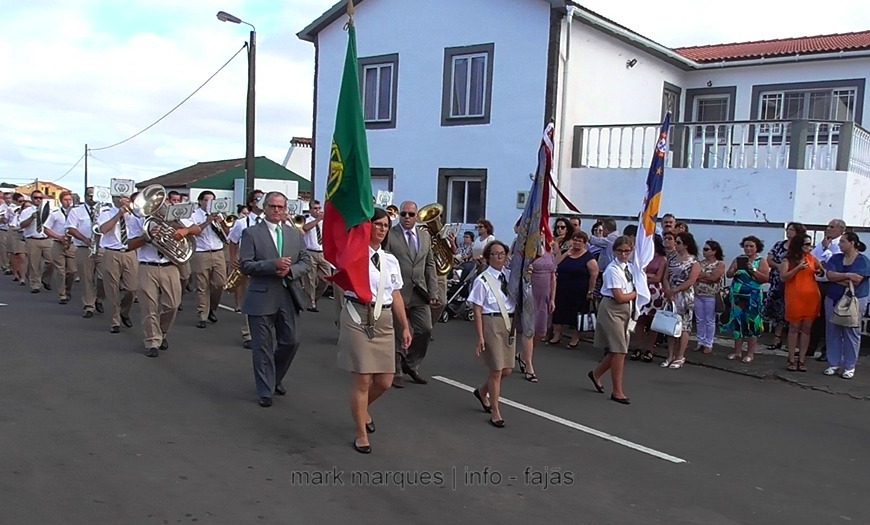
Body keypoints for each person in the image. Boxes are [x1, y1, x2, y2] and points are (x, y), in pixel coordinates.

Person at [338, 208, 412, 454]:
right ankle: (360, 432)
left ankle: (360, 409)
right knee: (363, 378)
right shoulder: (354, 254)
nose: (382, 229)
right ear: (367, 226)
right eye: (377, 224)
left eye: (385, 225)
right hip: (357, 316)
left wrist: (405, 326)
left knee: (384, 381)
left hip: (384, 318)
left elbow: (396, 293)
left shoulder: (390, 260)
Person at [239, 191, 312, 407]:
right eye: (272, 206)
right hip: (261, 296)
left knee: (291, 341)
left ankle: (275, 377)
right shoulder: (251, 233)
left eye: (281, 207)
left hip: (288, 295)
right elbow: (245, 265)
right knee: (262, 346)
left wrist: (290, 271)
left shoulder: (294, 234)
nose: (277, 210)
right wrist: (273, 265)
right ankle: (265, 390)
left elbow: (306, 261)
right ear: (265, 207)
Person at [385, 201, 439, 387]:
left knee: (425, 329)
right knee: (399, 331)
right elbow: (385, 261)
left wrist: (433, 290)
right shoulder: (391, 235)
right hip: (397, 290)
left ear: (416, 216)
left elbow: (430, 264)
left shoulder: (424, 236)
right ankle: (396, 370)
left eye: (410, 214)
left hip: (419, 290)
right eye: (403, 214)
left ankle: (411, 363)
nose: (407, 217)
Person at [125, 207, 185, 358]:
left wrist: (182, 230)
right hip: (147, 266)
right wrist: (147, 237)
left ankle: (162, 332)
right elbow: (130, 245)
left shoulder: (172, 217)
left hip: (169, 265)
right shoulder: (137, 219)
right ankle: (152, 341)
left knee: (173, 304)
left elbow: (195, 230)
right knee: (149, 306)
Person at [469, 240, 515, 427]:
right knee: (496, 369)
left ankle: (482, 391)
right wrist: (480, 336)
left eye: (502, 254)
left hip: (509, 323)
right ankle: (495, 410)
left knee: (507, 369)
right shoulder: (483, 280)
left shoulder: (511, 277)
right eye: (495, 254)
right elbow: (477, 309)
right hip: (492, 322)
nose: (499, 257)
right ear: (488, 257)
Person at [588, 236, 636, 404]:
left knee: (618, 349)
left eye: (627, 251)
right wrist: (637, 294)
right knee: (619, 350)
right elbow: (619, 296)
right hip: (612, 308)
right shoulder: (612, 269)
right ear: (615, 251)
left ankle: (596, 374)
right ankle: (617, 391)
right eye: (620, 251)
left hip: (625, 310)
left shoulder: (629, 267)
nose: (624, 254)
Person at [821, 232, 870, 379]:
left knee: (851, 331)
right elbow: (829, 275)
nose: (840, 244)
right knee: (832, 331)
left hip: (855, 299)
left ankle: (849, 366)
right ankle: (833, 363)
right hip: (833, 298)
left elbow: (857, 280)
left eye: (842, 241)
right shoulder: (836, 258)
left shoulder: (863, 261)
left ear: (852, 243)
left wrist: (839, 277)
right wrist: (848, 276)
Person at [183, 191, 228, 329]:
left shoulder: (219, 214)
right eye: (207, 200)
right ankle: (202, 315)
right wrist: (207, 221)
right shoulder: (193, 215)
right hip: (201, 253)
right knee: (202, 285)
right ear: (200, 201)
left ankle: (212, 309)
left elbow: (228, 233)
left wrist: (223, 222)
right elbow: (193, 232)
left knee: (220, 284)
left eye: (212, 200)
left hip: (218, 252)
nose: (210, 203)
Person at [723, 236, 770, 363]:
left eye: (751, 246)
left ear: (756, 248)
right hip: (738, 296)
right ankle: (737, 351)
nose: (748, 248)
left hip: (753, 296)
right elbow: (728, 274)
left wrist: (752, 270)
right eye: (746, 246)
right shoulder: (739, 259)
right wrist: (734, 270)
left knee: (752, 323)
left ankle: (750, 353)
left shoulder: (761, 261)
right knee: (738, 322)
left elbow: (765, 279)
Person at [227, 190, 265, 348]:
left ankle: (262, 333)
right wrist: (233, 259)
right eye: (258, 199)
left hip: (264, 266)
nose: (261, 202)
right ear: (251, 203)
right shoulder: (242, 223)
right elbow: (233, 241)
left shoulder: (270, 222)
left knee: (264, 302)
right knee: (247, 301)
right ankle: (247, 334)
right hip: (247, 265)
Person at [780, 234, 822, 372]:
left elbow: (820, 270)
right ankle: (791, 358)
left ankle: (802, 359)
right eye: (806, 244)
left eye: (810, 244)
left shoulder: (811, 258)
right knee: (794, 328)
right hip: (795, 296)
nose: (809, 247)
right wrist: (797, 268)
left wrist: (820, 270)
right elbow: (783, 277)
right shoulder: (788, 259)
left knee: (806, 329)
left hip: (811, 296)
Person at [549, 231, 598, 347]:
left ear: (585, 243)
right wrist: (566, 254)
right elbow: (555, 265)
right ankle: (557, 335)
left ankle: (575, 339)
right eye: (574, 240)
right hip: (562, 289)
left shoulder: (588, 258)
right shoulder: (566, 253)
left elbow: (594, 275)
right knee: (559, 313)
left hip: (579, 291)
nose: (576, 243)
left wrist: (590, 291)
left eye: (579, 241)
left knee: (576, 316)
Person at [98, 193, 139, 333]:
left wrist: (132, 211)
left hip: (130, 253)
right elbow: (103, 230)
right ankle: (115, 320)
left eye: (127, 199)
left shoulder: (135, 215)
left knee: (132, 288)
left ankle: (124, 312)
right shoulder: (106, 213)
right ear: (114, 200)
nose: (124, 201)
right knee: (112, 288)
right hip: (112, 252)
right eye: (120, 198)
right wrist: (118, 215)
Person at [764, 223, 806, 350]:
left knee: (792, 312)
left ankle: (792, 342)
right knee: (778, 311)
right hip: (777, 281)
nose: (789, 232)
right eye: (788, 229)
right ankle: (777, 339)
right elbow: (769, 259)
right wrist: (779, 267)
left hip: (793, 282)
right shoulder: (779, 245)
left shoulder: (800, 248)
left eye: (792, 230)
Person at [661, 232, 701, 369]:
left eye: (678, 242)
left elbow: (691, 280)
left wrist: (675, 290)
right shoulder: (672, 258)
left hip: (684, 296)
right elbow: (665, 276)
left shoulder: (694, 261)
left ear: (686, 244)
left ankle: (680, 356)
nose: (675, 245)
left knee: (684, 326)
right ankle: (670, 355)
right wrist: (667, 290)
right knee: (670, 325)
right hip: (670, 295)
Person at [65, 187, 105, 318]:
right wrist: (85, 239)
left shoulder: (105, 210)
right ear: (85, 196)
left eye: (94, 195)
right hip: (84, 248)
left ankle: (99, 298)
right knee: (87, 278)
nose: (92, 198)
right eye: (89, 195)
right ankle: (89, 306)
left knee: (104, 277)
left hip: (103, 248)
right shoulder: (77, 211)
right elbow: (70, 228)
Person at [631, 234, 666, 362]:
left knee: (652, 323)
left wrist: (645, 275)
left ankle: (649, 349)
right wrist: (647, 275)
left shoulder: (662, 259)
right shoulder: (642, 257)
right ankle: (638, 347)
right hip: (642, 290)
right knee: (640, 320)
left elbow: (658, 277)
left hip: (655, 293)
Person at [44, 190, 77, 304]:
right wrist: (59, 237)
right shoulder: (55, 213)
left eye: (70, 200)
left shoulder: (76, 213)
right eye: (65, 200)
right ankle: (62, 294)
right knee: (60, 270)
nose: (68, 202)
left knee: (72, 271)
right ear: (61, 201)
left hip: (72, 244)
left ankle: (68, 290)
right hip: (58, 243)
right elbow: (46, 229)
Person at [18, 190, 54, 293]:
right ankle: (35, 284)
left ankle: (45, 278)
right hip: (32, 239)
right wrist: (31, 217)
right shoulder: (27, 211)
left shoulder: (49, 210)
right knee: (34, 264)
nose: (38, 200)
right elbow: (22, 225)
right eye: (35, 198)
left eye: (40, 198)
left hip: (46, 238)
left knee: (51, 261)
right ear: (32, 199)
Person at [694, 240, 725, 355]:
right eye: (704, 249)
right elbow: (695, 276)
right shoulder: (700, 263)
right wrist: (706, 277)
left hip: (711, 295)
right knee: (699, 319)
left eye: (707, 249)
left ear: (714, 251)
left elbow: (714, 277)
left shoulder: (719, 264)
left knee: (709, 320)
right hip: (698, 294)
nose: (704, 251)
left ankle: (709, 343)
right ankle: (700, 341)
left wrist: (703, 276)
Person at [301, 200, 331, 312]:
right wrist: (317, 220)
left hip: (322, 252)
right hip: (310, 252)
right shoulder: (307, 220)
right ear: (310, 210)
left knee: (326, 279)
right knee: (310, 279)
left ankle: (314, 298)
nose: (317, 211)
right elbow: (304, 228)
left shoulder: (324, 222)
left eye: (319, 208)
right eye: (315, 208)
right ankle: (311, 303)